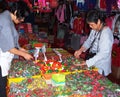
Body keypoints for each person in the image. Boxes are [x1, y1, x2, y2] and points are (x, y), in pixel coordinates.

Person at [0, 1, 33, 97]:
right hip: (1, 60)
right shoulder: (5, 21)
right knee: (2, 88)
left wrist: (20, 49)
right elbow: (9, 48)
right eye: (21, 17)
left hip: (4, 56)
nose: (22, 20)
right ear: (15, 12)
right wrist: (24, 54)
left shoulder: (6, 17)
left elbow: (9, 39)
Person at [74, 9, 114, 76]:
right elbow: (89, 41)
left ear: (98, 21)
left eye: (91, 24)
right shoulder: (95, 29)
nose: (90, 26)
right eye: (89, 24)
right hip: (93, 61)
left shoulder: (106, 34)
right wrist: (80, 50)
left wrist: (88, 63)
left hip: (101, 66)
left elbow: (103, 54)